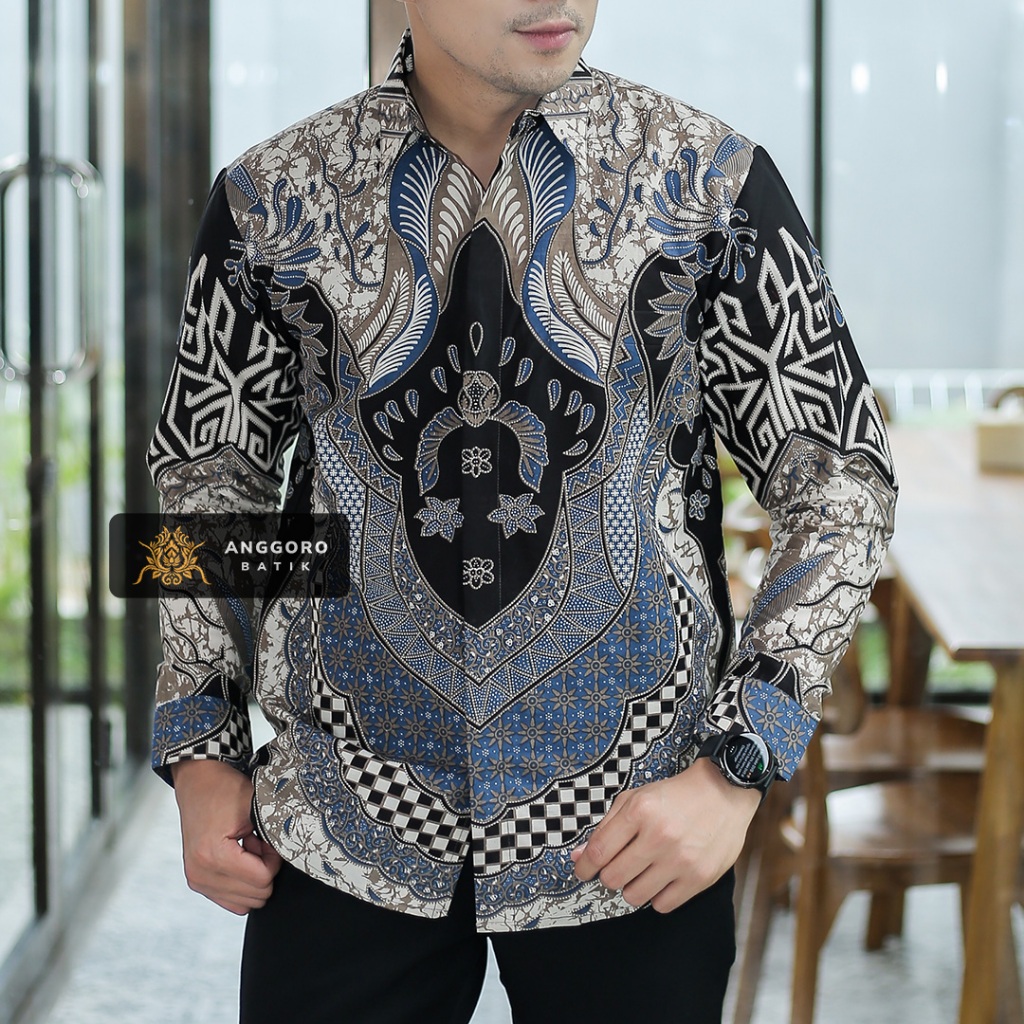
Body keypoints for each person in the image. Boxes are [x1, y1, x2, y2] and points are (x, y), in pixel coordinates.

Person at [148, 2, 897, 1021]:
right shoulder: (271, 199)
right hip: (339, 828)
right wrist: (202, 747)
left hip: (636, 832)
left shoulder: (710, 188)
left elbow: (844, 484)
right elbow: (206, 485)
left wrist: (738, 766)